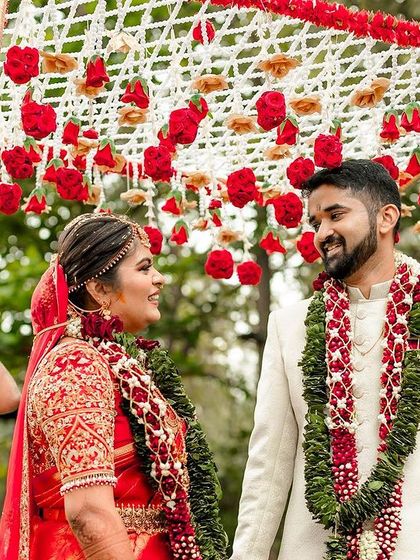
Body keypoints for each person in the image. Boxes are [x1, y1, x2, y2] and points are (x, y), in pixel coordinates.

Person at [0, 212, 227, 560]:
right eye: (144, 268)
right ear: (100, 288)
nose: (159, 279)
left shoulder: (106, 360)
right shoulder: (74, 365)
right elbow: (89, 513)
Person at [231, 160, 420, 560]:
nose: (322, 234)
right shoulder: (290, 327)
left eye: (336, 215)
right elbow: (268, 463)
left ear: (386, 217)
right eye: (315, 222)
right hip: (314, 548)